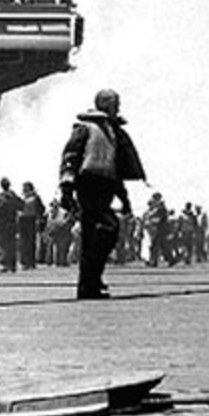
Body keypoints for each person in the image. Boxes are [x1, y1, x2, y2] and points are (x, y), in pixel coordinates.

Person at [59, 89, 147, 300]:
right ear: (105, 104)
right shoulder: (85, 128)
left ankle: (89, 284)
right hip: (88, 184)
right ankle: (90, 280)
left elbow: (115, 169)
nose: (118, 108)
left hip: (105, 185)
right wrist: (67, 188)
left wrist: (125, 199)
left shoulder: (112, 131)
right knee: (107, 228)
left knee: (94, 236)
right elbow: (71, 157)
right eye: (115, 103)